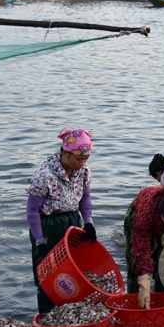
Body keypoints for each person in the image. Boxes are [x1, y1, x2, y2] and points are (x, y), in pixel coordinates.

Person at [26, 128, 96, 314]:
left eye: (86, 159)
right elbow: (32, 211)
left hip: (72, 222)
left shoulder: (83, 172)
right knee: (47, 274)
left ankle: (69, 313)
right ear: (66, 153)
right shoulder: (44, 176)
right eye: (79, 159)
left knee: (73, 272)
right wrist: (40, 240)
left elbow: (85, 199)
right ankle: (47, 316)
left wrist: (88, 222)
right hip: (47, 226)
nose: (82, 163)